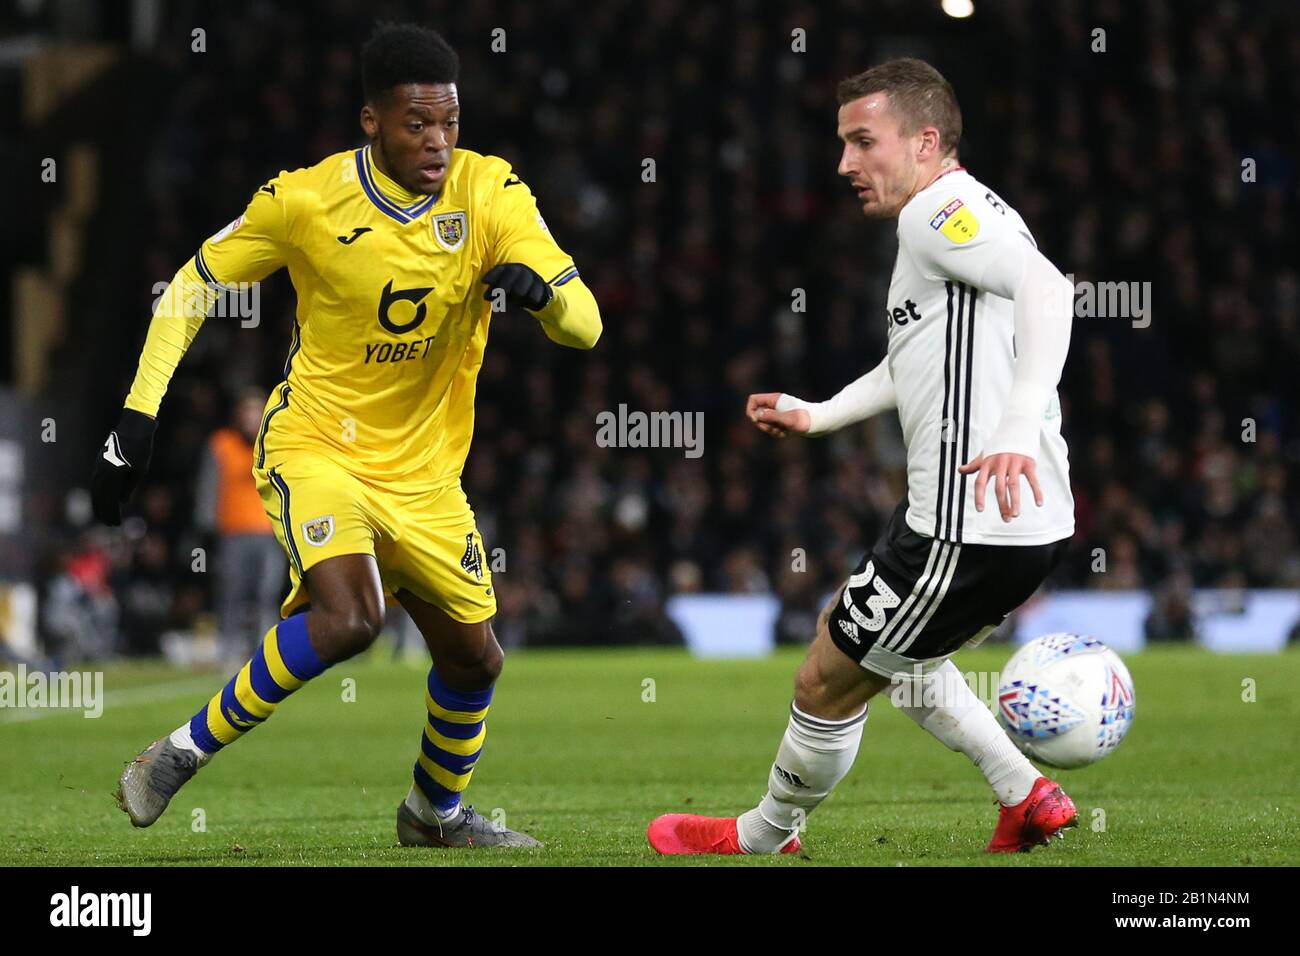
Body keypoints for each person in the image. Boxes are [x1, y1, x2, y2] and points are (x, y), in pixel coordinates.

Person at [92, 22, 601, 849]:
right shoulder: (305, 200)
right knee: (353, 618)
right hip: (318, 445)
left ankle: (433, 816)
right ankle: (176, 756)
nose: (437, 142)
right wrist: (136, 417)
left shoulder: (492, 194)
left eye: (449, 123)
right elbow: (193, 284)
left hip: (427, 476)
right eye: (416, 123)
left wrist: (542, 298)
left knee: (476, 662)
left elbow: (588, 327)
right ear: (372, 120)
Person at [648, 58, 1077, 855]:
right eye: (841, 143)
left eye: (861, 141)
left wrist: (1015, 426)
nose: (845, 163)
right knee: (907, 665)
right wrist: (818, 415)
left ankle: (765, 834)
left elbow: (1051, 291)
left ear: (924, 141)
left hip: (967, 522)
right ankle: (1027, 795)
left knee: (825, 676)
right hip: (1002, 520)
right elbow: (911, 361)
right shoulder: (968, 214)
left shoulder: (935, 213)